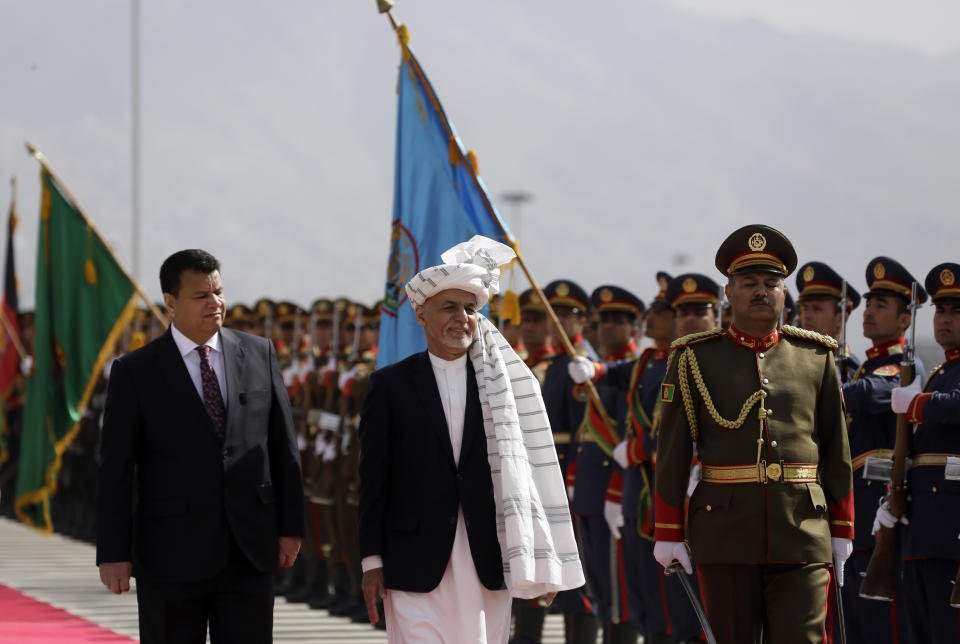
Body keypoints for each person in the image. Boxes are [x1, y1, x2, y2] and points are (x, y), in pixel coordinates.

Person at [358, 235, 583, 642]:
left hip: (486, 554)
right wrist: (371, 560)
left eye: (469, 308)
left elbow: (531, 473)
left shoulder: (504, 388)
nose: (462, 317)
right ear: (422, 315)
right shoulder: (390, 385)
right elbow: (374, 479)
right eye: (449, 307)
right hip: (413, 559)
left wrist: (543, 555)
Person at [653, 225, 854, 644]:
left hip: (802, 530)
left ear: (784, 293)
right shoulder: (693, 358)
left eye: (771, 283)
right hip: (724, 532)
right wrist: (668, 530)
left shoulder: (815, 356)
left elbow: (835, 449)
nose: (761, 292)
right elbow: (672, 451)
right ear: (729, 292)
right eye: (749, 283)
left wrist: (843, 526)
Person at [96, 249, 304, 644]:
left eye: (219, 292)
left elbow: (282, 448)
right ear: (170, 302)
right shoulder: (135, 371)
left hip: (249, 549)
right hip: (170, 555)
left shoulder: (259, 353)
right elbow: (116, 468)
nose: (216, 303)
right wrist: (113, 551)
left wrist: (291, 527)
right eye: (201, 296)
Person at [841, 256, 927, 644]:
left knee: (881, 627)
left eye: (882, 305)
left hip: (878, 509)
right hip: (854, 510)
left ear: (905, 319)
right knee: (853, 626)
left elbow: (873, 394)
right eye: (869, 304)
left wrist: (822, 390)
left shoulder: (903, 367)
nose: (870, 312)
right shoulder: (866, 368)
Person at [877, 262, 960, 642]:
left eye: (955, 310)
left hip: (951, 527)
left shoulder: (939, 384)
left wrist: (918, 404)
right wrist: (895, 495)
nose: (944, 319)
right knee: (920, 629)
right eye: (940, 310)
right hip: (922, 524)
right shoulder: (941, 372)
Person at [795, 261, 861, 383]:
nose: (807, 316)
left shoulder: (850, 370)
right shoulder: (792, 359)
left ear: (840, 319)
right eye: (805, 308)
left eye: (817, 309)